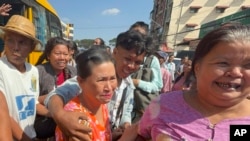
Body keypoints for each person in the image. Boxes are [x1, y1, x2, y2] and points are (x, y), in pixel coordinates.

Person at [120, 25, 250, 141]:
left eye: (248, 65)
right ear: (197, 67)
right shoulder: (163, 105)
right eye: (223, 63)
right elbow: (141, 135)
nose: (236, 73)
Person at [44, 30, 152, 140]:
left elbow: (126, 111)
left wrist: (125, 126)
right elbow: (54, 95)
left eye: (138, 62)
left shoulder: (127, 85)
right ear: (115, 52)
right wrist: (60, 116)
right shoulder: (91, 77)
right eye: (127, 59)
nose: (131, 66)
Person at [55, 48, 117, 141]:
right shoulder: (77, 121)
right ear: (81, 81)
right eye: (101, 80)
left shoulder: (100, 103)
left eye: (112, 78)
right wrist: (128, 136)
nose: (108, 88)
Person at [0, 15, 41, 140]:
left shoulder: (33, 71)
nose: (15, 47)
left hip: (30, 134)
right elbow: (3, 114)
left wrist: (56, 113)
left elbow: (33, 101)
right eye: (10, 40)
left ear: (31, 48)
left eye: (22, 42)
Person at [35, 37, 77, 140]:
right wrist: (56, 114)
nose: (62, 57)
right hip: (44, 127)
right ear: (48, 55)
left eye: (66, 54)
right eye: (57, 53)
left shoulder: (74, 72)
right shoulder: (38, 72)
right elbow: (31, 101)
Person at [129, 21, 163, 122]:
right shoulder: (122, 57)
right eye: (133, 34)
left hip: (141, 114)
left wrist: (137, 82)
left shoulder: (152, 60)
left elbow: (157, 85)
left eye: (140, 35)